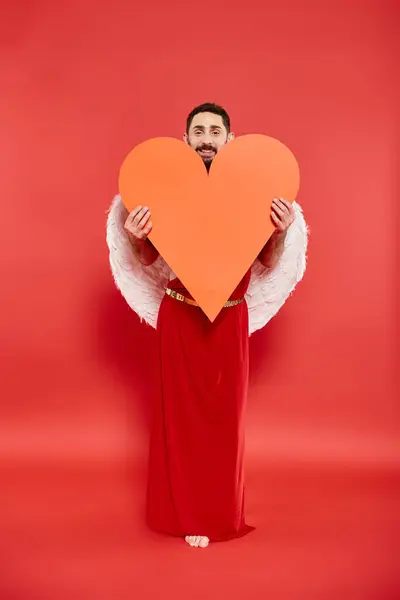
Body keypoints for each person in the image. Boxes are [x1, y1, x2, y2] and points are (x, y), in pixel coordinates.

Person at [106, 103, 308, 548]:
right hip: (179, 315)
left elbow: (267, 264)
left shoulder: (252, 191)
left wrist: (278, 232)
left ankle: (219, 511)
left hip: (230, 317)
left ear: (229, 141)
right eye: (198, 130)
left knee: (224, 421)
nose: (206, 138)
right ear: (186, 141)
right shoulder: (167, 189)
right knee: (180, 422)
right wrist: (138, 237)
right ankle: (185, 513)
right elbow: (150, 262)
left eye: (215, 130)